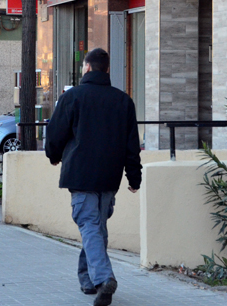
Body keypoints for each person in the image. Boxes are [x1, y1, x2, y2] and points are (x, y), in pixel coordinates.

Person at [45, 48, 142, 306]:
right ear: (107, 69)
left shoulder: (72, 97)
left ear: (87, 68)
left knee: (89, 226)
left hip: (81, 175)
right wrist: (134, 178)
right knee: (96, 228)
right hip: (109, 177)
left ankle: (103, 279)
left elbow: (55, 134)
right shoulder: (123, 101)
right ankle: (88, 282)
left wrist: (53, 154)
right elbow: (132, 145)